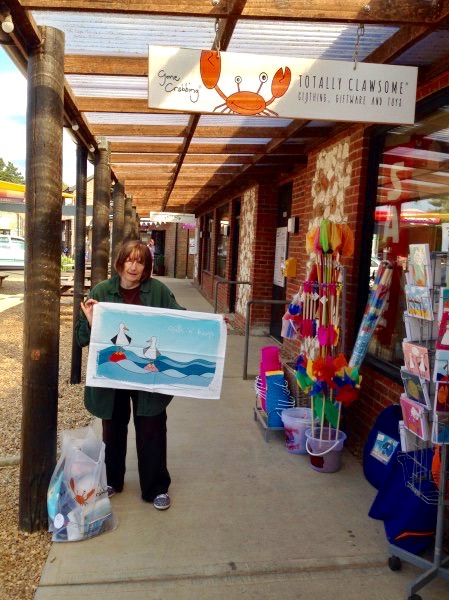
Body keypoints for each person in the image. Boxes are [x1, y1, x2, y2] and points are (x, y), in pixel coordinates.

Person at [75, 240, 185, 510]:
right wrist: (90, 321)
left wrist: (213, 326)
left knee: (152, 428)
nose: (134, 266)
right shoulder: (102, 291)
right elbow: (81, 338)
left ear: (146, 267)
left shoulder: (158, 291)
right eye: (129, 260)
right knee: (113, 428)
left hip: (148, 374)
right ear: (120, 262)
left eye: (140, 261)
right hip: (113, 373)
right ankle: (112, 480)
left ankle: (156, 487)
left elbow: (179, 322)